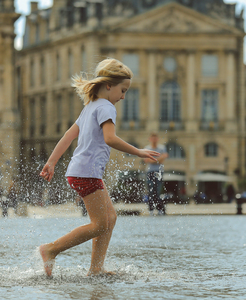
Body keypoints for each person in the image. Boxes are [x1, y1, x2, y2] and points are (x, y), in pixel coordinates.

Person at [38, 58, 159, 277]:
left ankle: (95, 269)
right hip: (87, 173)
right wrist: (139, 151)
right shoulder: (106, 107)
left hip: (81, 171)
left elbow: (68, 136)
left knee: (109, 219)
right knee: (100, 224)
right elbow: (110, 138)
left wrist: (52, 162)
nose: (123, 96)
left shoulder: (90, 107)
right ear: (108, 85)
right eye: (122, 90)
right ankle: (51, 249)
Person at [143, 133, 169, 215]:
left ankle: (160, 209)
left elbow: (164, 157)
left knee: (158, 191)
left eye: (155, 138)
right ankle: (151, 209)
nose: (154, 140)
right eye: (152, 138)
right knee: (151, 190)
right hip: (150, 171)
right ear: (150, 139)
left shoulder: (161, 148)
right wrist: (158, 159)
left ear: (157, 139)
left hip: (159, 171)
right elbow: (146, 160)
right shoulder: (147, 148)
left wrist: (152, 159)